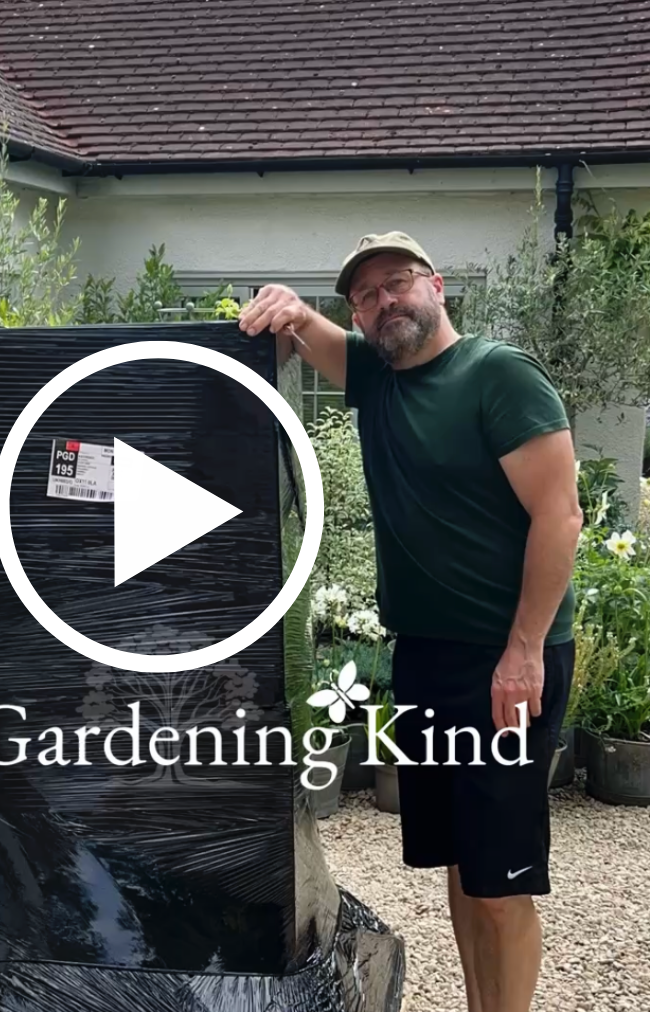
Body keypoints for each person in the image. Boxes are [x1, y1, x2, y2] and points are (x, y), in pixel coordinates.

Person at [238, 232, 583, 1012]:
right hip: (427, 658)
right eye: (365, 295)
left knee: (500, 882)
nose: (384, 301)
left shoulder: (498, 375)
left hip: (506, 660)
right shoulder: (376, 377)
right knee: (463, 867)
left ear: (436, 286)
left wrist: (524, 650)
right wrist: (285, 307)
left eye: (397, 282)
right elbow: (298, 323)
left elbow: (559, 517)